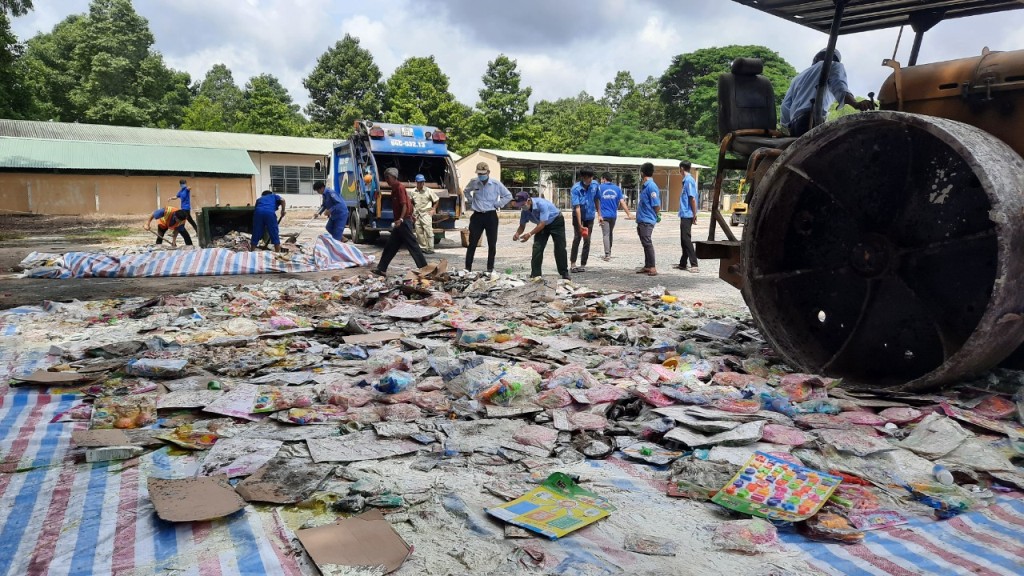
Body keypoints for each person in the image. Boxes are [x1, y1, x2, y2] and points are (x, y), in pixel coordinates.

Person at [781, 49, 876, 137]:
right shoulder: (833, 65)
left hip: (794, 124)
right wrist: (855, 103)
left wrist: (787, 128)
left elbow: (785, 106)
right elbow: (839, 87)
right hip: (811, 120)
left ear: (816, 58)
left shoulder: (798, 77)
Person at [372, 167, 428, 276]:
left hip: (403, 222)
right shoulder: (394, 188)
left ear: (393, 177)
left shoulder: (399, 188)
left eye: (387, 178)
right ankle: (381, 268)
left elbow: (404, 205)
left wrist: (401, 219)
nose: (386, 180)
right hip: (400, 222)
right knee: (390, 246)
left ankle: (424, 268)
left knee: (412, 245)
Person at [462, 161, 512, 273]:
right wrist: (471, 201)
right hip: (477, 216)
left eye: (483, 173)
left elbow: (508, 196)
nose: (481, 176)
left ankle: (490, 268)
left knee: (492, 243)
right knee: (472, 243)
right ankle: (467, 268)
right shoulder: (474, 182)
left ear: (488, 172)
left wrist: (498, 204)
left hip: (491, 216)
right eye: (479, 174)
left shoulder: (496, 184)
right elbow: (466, 191)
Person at [512, 191, 569, 280]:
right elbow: (522, 226)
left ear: (528, 200)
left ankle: (564, 272)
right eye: (520, 205)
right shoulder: (525, 211)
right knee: (537, 247)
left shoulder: (541, 204)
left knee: (560, 247)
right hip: (541, 225)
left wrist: (530, 234)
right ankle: (536, 274)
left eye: (523, 204)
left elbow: (542, 224)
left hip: (556, 221)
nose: (522, 207)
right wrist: (517, 233)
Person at [569, 166, 600, 273]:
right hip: (578, 216)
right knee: (577, 238)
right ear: (583, 177)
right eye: (588, 177)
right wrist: (579, 224)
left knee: (587, 239)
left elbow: (597, 199)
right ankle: (573, 264)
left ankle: (583, 264)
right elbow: (577, 208)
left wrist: (599, 214)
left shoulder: (595, 185)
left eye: (591, 177)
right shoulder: (576, 189)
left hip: (590, 216)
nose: (590, 179)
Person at [597, 172, 631, 261]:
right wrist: (628, 213)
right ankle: (609, 252)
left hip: (604, 215)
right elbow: (622, 202)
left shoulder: (600, 188)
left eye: (601, 179)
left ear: (604, 179)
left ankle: (607, 254)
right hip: (613, 215)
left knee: (606, 234)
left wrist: (598, 214)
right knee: (610, 233)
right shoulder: (617, 189)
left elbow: (596, 201)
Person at [635, 162, 661, 276]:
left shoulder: (651, 186)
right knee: (645, 243)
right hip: (642, 218)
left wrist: (656, 214)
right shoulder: (646, 186)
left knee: (647, 242)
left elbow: (656, 204)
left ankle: (653, 267)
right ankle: (647, 265)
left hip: (647, 219)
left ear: (642, 173)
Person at [675, 161, 700, 273]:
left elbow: (692, 198)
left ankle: (694, 264)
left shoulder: (689, 181)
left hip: (688, 214)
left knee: (686, 239)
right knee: (683, 239)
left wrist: (694, 214)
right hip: (685, 213)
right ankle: (683, 263)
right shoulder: (686, 181)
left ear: (681, 168)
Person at [410, 174, 439, 254]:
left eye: (422, 182)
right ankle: (422, 247)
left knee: (428, 231)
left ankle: (430, 248)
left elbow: (436, 200)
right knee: (419, 232)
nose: (421, 184)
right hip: (417, 214)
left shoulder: (429, 191)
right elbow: (411, 202)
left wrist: (433, 209)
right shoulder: (413, 192)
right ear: (416, 182)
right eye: (419, 182)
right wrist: (412, 211)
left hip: (426, 213)